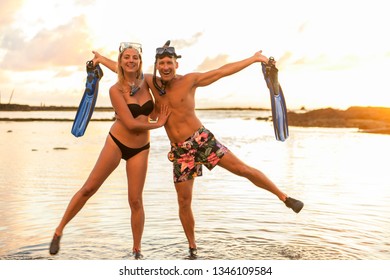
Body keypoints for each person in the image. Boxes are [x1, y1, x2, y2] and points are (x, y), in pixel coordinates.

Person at [93, 41, 304, 258]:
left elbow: (221, 71)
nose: (166, 67)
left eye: (170, 63)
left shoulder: (190, 80)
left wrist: (254, 59)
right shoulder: (151, 82)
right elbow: (125, 69)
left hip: (202, 141)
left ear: (176, 65)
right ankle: (193, 249)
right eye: (162, 63)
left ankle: (284, 198)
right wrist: (101, 60)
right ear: (156, 66)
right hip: (181, 151)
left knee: (242, 169)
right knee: (184, 202)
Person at [49, 42, 170, 259]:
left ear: (140, 61)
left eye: (135, 57)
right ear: (121, 62)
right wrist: (157, 123)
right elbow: (131, 124)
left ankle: (136, 251)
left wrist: (103, 59)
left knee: (135, 200)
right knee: (89, 188)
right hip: (116, 142)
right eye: (126, 57)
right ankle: (59, 230)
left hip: (141, 148)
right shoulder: (115, 90)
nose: (131, 60)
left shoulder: (148, 82)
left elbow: (155, 77)